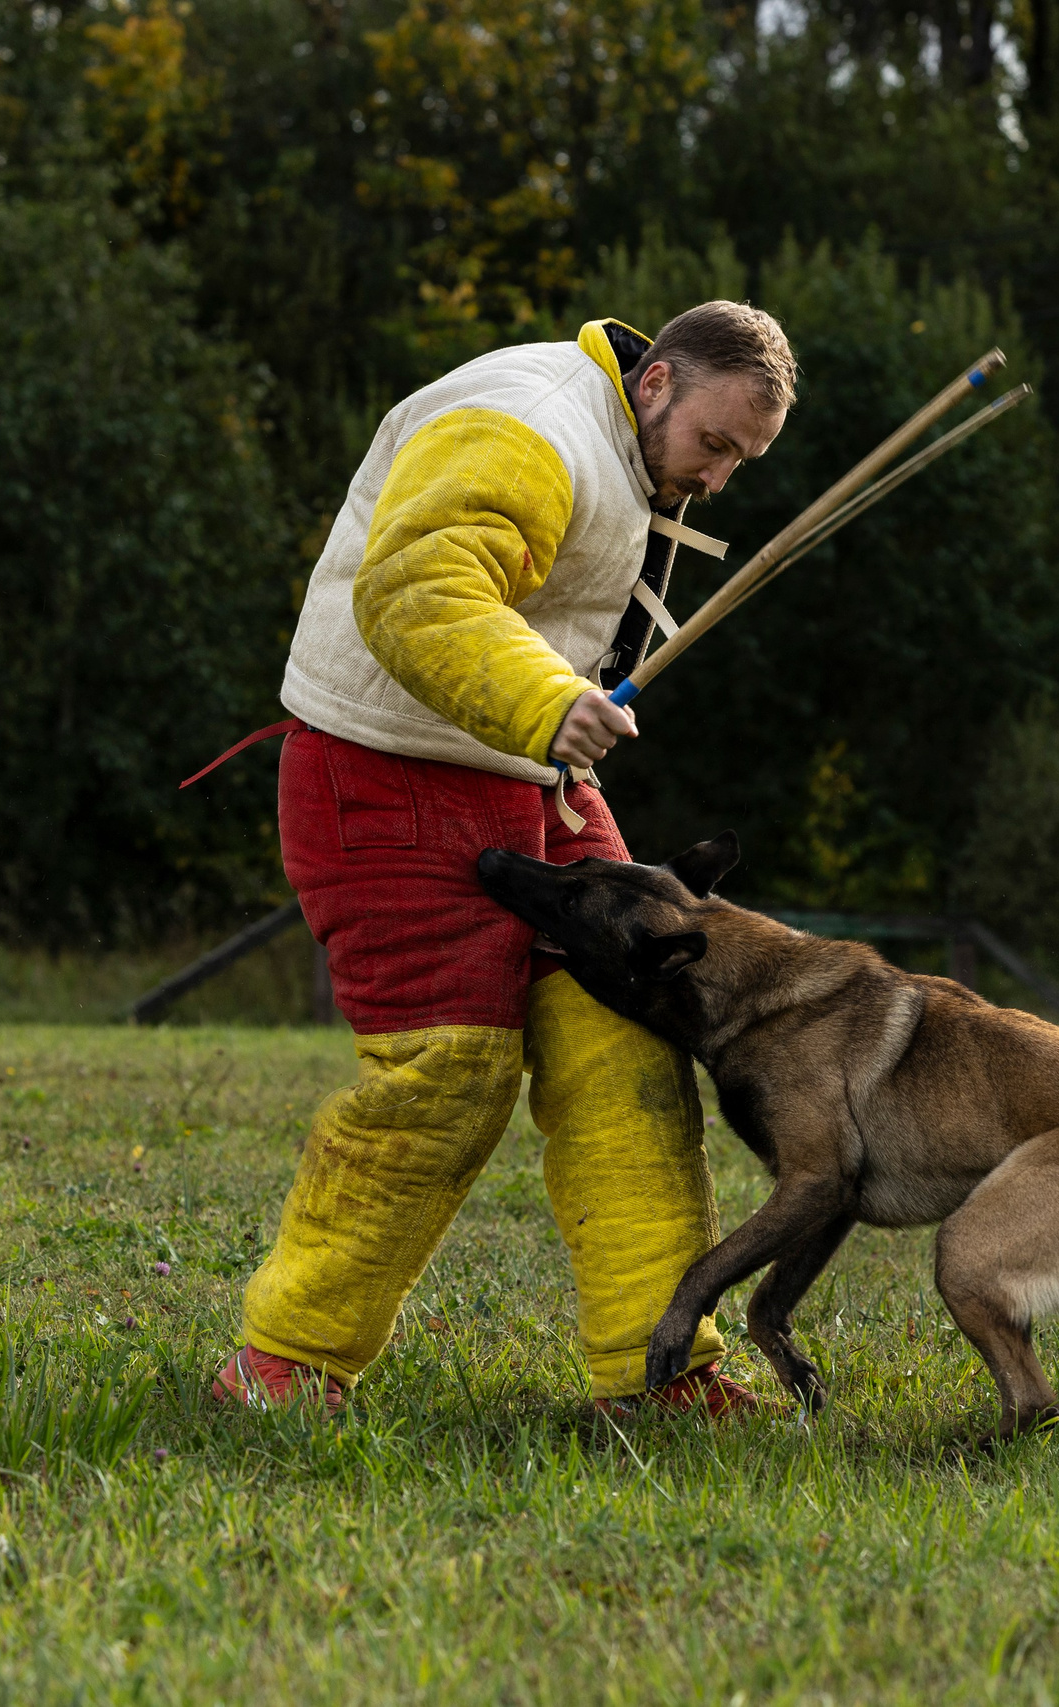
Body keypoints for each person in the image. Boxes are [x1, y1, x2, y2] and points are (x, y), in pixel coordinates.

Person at [210, 303, 795, 1415]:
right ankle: (282, 1364)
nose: (719, 478)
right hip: (381, 771)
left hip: (528, 775)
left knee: (628, 1040)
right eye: (715, 445)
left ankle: (658, 1372)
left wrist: (546, 725)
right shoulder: (523, 421)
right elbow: (416, 590)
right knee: (449, 1074)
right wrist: (548, 701)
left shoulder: (624, 441)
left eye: (742, 462)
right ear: (658, 380)